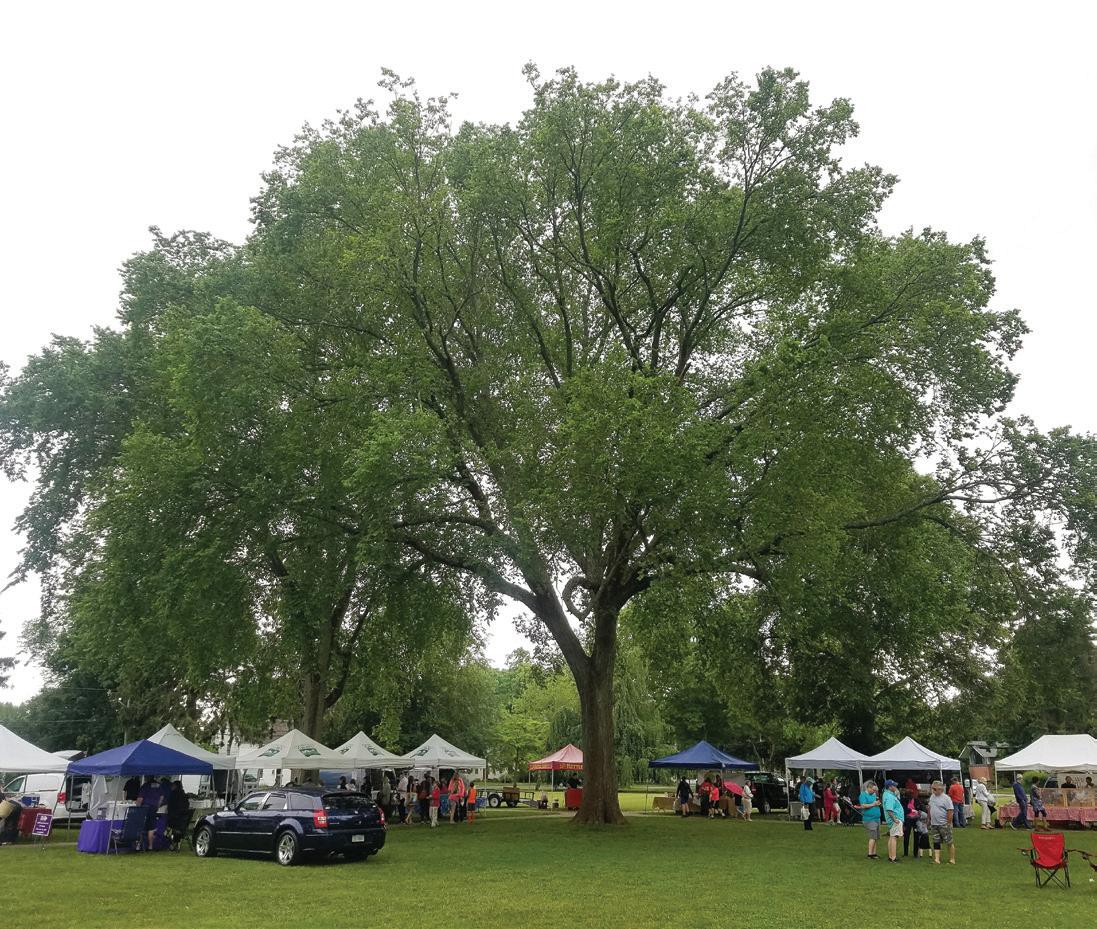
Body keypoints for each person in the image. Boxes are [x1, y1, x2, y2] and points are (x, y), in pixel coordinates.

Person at [928, 779, 956, 864]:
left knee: (949, 842)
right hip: (934, 824)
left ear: (940, 789)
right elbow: (930, 807)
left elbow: (950, 811)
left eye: (934, 789)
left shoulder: (946, 798)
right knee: (936, 841)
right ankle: (937, 859)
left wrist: (948, 823)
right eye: (932, 788)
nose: (933, 790)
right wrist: (929, 819)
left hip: (944, 824)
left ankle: (952, 859)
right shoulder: (932, 797)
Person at [854, 780, 882, 857]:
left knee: (875, 837)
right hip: (869, 819)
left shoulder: (874, 795)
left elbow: (876, 803)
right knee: (872, 836)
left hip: (877, 818)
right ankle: (870, 854)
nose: (874, 791)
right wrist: (873, 804)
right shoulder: (863, 795)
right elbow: (863, 805)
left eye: (875, 790)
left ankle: (874, 853)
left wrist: (878, 803)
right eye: (873, 789)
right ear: (868, 788)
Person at [136, 776, 163, 851]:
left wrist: (137, 808)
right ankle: (150, 846)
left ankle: (138, 846)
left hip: (145, 808)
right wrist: (157, 806)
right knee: (151, 828)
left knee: (141, 827)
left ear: (147, 778)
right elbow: (161, 797)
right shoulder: (159, 785)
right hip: (153, 808)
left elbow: (140, 799)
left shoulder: (145, 786)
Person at [881, 780, 904, 863]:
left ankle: (891, 856)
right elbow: (889, 809)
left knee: (892, 837)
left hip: (894, 819)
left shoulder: (888, 794)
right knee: (894, 837)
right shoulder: (889, 796)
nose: (896, 787)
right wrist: (895, 819)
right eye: (894, 786)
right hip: (895, 820)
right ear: (890, 787)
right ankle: (893, 858)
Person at [166, 781, 190, 851]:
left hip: (175, 818)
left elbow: (170, 805)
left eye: (172, 786)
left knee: (166, 827)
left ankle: (171, 843)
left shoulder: (173, 794)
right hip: (183, 820)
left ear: (175, 786)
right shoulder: (184, 795)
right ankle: (175, 843)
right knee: (178, 829)